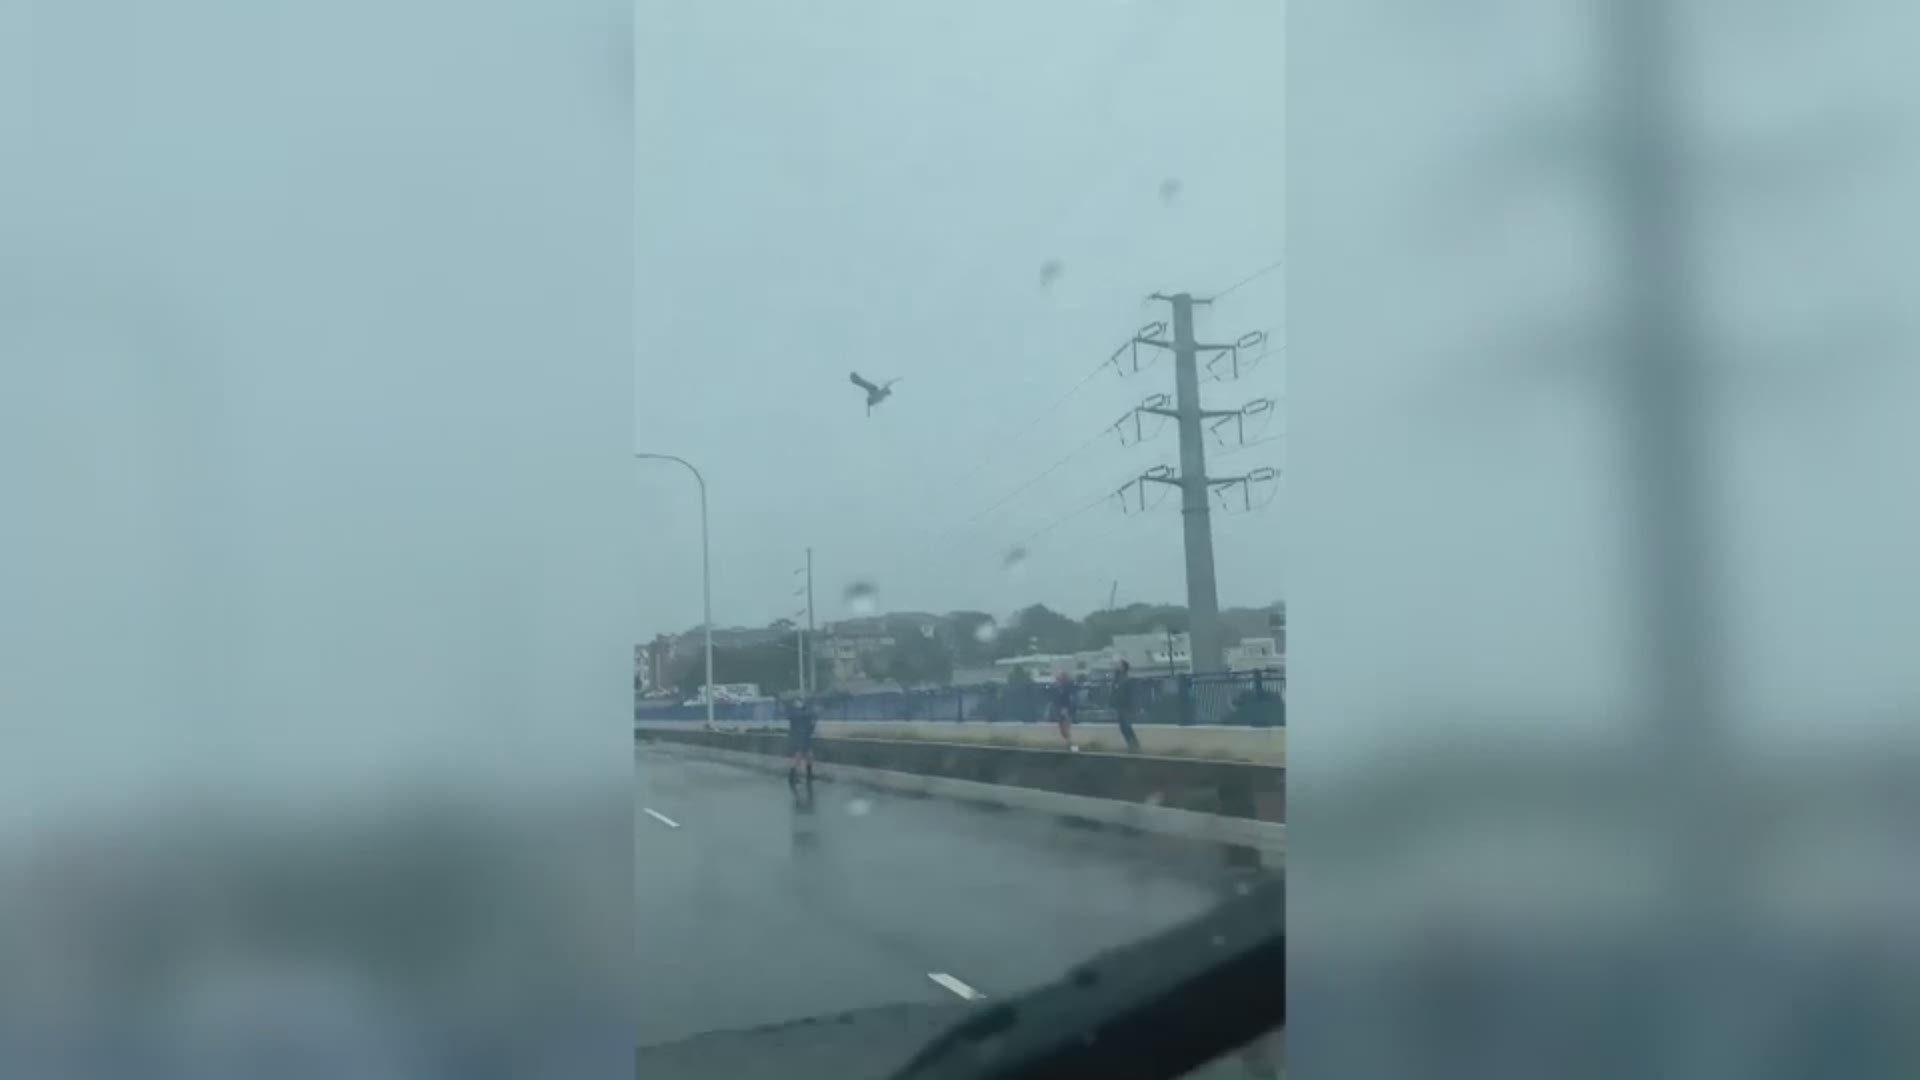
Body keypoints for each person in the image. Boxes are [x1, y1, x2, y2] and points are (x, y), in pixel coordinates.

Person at [785, 693, 818, 787]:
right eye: (798, 702)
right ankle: (792, 777)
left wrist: (813, 723)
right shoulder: (794, 713)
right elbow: (802, 717)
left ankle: (809, 775)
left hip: (805, 737)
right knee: (797, 758)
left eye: (800, 702)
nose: (800, 703)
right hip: (797, 738)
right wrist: (812, 715)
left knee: (809, 756)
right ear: (795, 703)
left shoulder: (805, 712)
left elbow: (810, 726)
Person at [1110, 659, 1141, 752]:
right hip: (1119, 706)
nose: (1117, 666)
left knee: (1126, 726)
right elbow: (1114, 692)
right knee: (1123, 727)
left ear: (1123, 668)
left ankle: (1134, 745)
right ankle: (1131, 745)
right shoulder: (1117, 679)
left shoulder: (1126, 680)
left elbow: (1130, 694)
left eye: (1119, 665)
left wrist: (1132, 706)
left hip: (1125, 706)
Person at [1047, 672, 1079, 752]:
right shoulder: (1057, 687)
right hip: (1060, 709)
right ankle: (1069, 744)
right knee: (1062, 729)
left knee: (1066, 727)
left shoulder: (1069, 686)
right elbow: (1054, 697)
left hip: (1067, 708)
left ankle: (1071, 746)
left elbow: (1071, 698)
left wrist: (1068, 709)